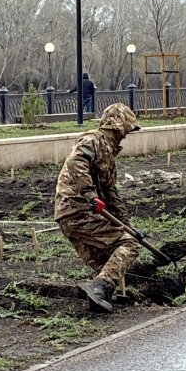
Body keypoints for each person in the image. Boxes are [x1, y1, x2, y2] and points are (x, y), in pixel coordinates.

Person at [54, 102, 142, 312]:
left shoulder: (109, 153)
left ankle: (101, 294)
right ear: (117, 125)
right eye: (127, 130)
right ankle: (100, 286)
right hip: (77, 210)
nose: (127, 135)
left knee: (108, 258)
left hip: (77, 214)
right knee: (130, 246)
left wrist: (128, 225)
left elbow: (111, 192)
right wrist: (89, 194)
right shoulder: (92, 140)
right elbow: (77, 162)